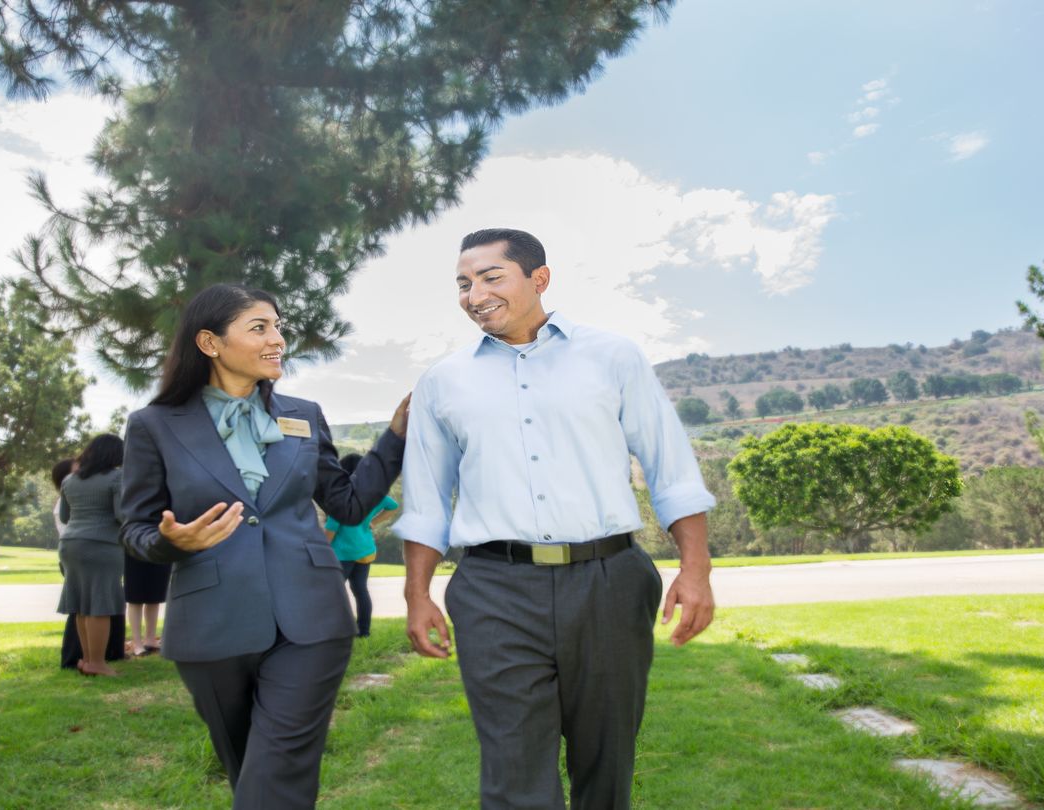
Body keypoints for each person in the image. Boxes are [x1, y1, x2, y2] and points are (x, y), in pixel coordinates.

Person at [396, 228, 718, 810]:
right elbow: (426, 500)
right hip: (493, 589)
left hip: (609, 581)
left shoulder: (613, 356)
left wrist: (696, 570)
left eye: (491, 277)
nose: (474, 295)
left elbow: (670, 469)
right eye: (464, 284)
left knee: (606, 761)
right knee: (512, 771)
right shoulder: (443, 381)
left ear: (539, 278)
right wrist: (417, 595)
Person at [120, 283, 409, 809]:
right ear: (210, 342)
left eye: (278, 327)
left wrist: (394, 439)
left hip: (312, 620)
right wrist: (170, 542)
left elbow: (346, 504)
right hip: (210, 627)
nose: (278, 339)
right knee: (250, 772)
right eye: (260, 328)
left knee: (276, 772)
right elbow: (135, 529)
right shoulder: (153, 425)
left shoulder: (303, 414)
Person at [58, 434, 127, 677]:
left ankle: (87, 659)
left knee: (81, 605)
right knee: (100, 605)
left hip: (70, 545)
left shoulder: (70, 480)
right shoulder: (117, 477)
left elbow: (65, 517)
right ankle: (98, 663)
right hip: (102, 545)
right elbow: (121, 515)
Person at [324, 452, 398, 638]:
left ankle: (334, 632)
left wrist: (322, 549)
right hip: (364, 550)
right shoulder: (373, 493)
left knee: (333, 593)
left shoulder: (342, 496)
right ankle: (363, 631)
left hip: (343, 553)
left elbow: (332, 527)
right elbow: (393, 506)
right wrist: (373, 522)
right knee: (360, 590)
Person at [124, 542, 171, 657]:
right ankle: (137, 643)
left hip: (159, 546)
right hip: (135, 546)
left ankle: (150, 639)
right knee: (135, 597)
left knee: (155, 595)